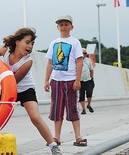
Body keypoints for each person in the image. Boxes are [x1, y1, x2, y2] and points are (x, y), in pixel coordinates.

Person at [0, 27, 62, 155]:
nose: (30, 46)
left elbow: (13, 81)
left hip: (25, 89)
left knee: (35, 117)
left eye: (32, 43)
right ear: (17, 42)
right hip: (8, 90)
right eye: (27, 42)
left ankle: (53, 146)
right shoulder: (6, 50)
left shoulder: (28, 62)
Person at [44, 15, 87, 147]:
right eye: (61, 24)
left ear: (71, 27)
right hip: (56, 80)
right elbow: (50, 63)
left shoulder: (75, 42)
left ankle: (78, 136)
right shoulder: (53, 43)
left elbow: (79, 62)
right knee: (57, 109)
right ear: (57, 27)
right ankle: (56, 137)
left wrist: (77, 80)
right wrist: (46, 80)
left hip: (70, 79)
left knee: (72, 108)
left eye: (66, 24)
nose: (63, 27)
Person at [79, 48, 95, 115]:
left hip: (88, 80)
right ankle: (83, 109)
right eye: (82, 53)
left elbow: (91, 70)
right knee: (81, 95)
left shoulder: (88, 61)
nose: (83, 54)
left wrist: (92, 78)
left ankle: (88, 105)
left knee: (89, 93)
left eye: (85, 53)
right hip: (80, 80)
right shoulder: (76, 60)